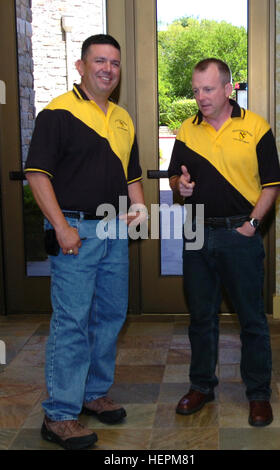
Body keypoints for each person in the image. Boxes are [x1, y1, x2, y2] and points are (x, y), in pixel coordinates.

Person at [25, 34, 145, 450]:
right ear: (81, 66)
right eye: (99, 61)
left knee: (110, 316)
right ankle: (59, 413)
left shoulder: (123, 118)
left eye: (114, 62)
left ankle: (94, 392)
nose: (108, 69)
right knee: (72, 321)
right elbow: (37, 174)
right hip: (76, 231)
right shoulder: (57, 113)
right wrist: (60, 226)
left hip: (114, 232)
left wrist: (140, 210)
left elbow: (132, 175)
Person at [168, 58, 280, 427]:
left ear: (229, 89)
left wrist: (251, 225)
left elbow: (272, 185)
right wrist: (179, 187)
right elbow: (175, 178)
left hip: (240, 235)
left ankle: (258, 394)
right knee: (201, 318)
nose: (201, 97)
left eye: (209, 89)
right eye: (197, 90)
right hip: (197, 233)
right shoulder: (187, 129)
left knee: (251, 320)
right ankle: (201, 385)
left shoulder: (256, 127)